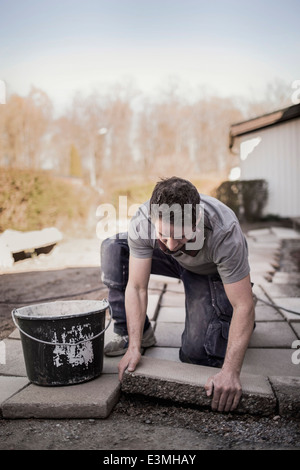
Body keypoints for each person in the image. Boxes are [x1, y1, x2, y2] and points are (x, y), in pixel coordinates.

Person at [101, 177, 255, 412]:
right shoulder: (144, 220)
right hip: (174, 265)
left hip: (209, 272)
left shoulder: (225, 232)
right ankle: (136, 333)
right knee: (113, 246)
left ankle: (236, 298)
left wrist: (230, 372)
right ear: (153, 220)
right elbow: (137, 287)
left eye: (182, 236)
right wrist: (134, 346)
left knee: (196, 355)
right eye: (163, 235)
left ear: (198, 220)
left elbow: (243, 306)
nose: (172, 246)